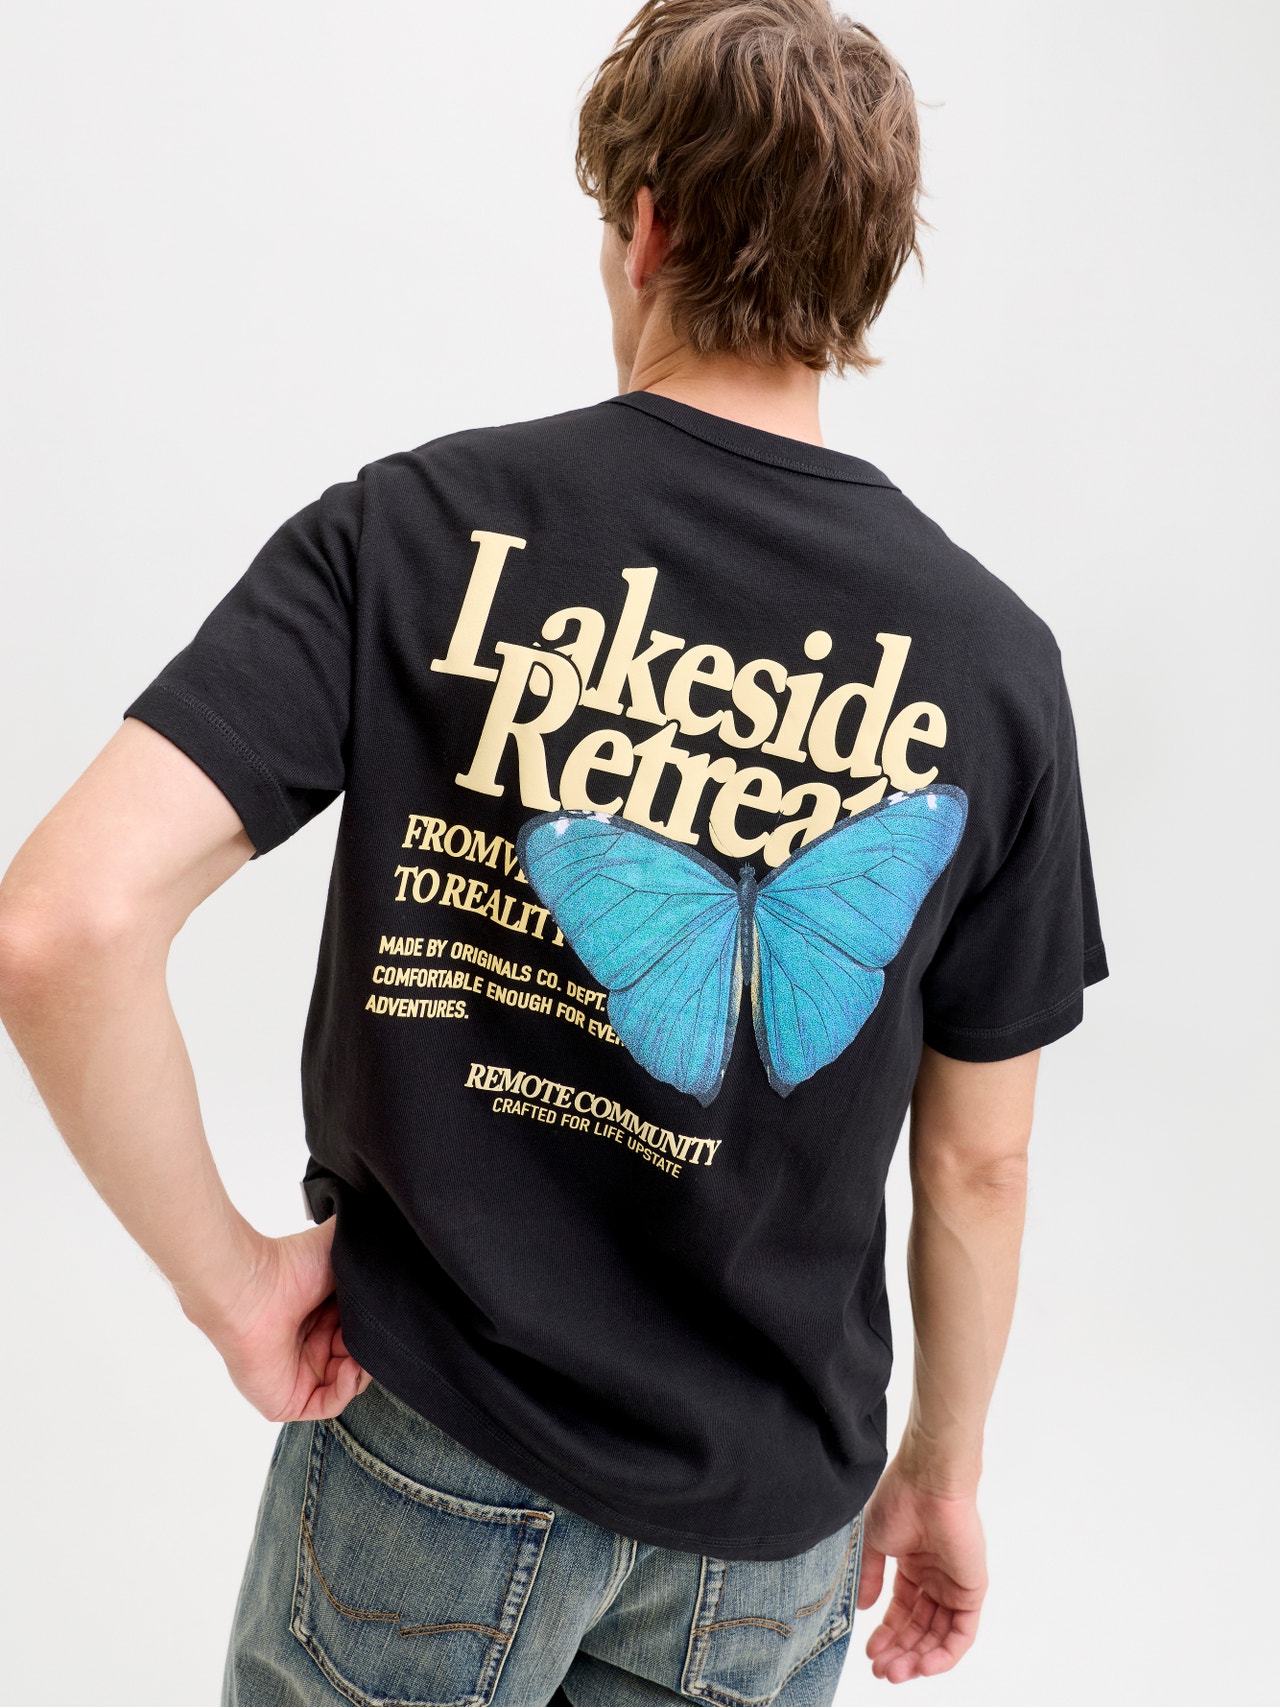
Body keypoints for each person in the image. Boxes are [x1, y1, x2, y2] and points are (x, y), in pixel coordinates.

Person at [0, 1, 1107, 1700]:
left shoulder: (413, 532)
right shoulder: (995, 665)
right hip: (771, 1530)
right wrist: (942, 1474)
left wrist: (231, 1287)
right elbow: (979, 1167)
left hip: (436, 1446)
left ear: (647, 226)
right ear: (867, 275)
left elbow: (63, 925)